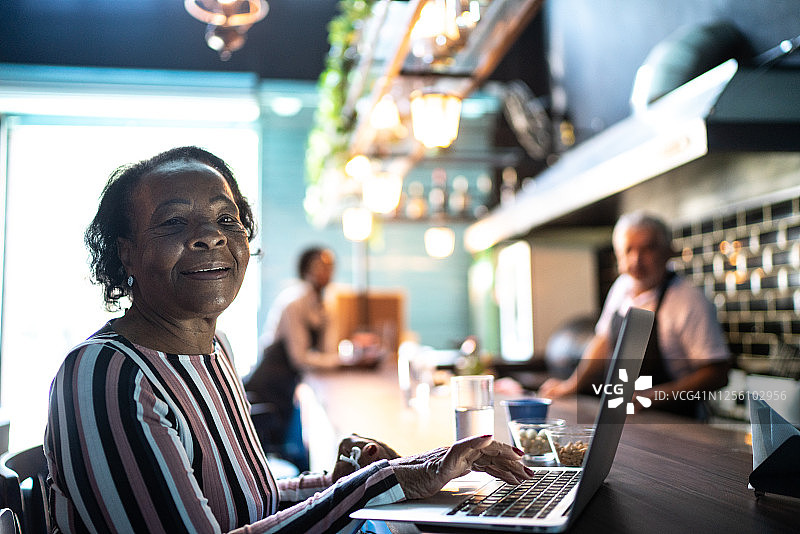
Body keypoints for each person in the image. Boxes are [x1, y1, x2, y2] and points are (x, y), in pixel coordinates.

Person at [44, 146, 532, 534]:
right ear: (125, 254)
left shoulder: (214, 350)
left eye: (226, 219)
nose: (210, 236)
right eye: (174, 222)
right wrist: (385, 482)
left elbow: (247, 502)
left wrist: (374, 477)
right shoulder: (105, 376)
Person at [538, 211, 730, 417]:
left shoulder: (689, 300)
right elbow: (603, 342)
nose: (636, 260)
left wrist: (653, 396)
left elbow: (717, 374)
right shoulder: (621, 287)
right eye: (628, 250)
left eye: (648, 249)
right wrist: (571, 385)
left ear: (668, 252)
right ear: (618, 255)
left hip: (676, 419)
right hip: (628, 415)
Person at [243, 247, 381, 460]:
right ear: (305, 269)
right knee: (288, 447)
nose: (325, 272)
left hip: (287, 386)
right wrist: (345, 362)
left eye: (330, 266)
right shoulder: (293, 303)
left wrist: (343, 349)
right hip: (268, 386)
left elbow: (327, 351)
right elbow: (301, 359)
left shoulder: (325, 305)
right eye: (319, 266)